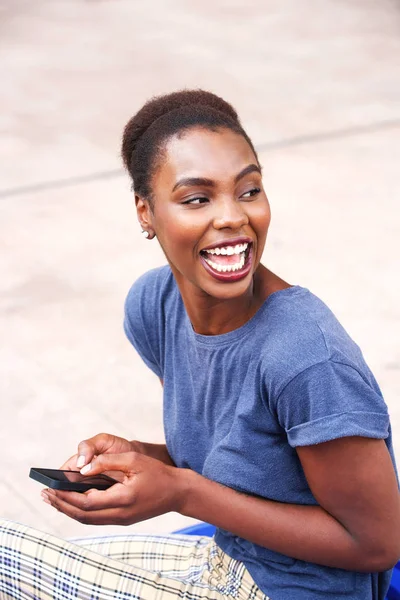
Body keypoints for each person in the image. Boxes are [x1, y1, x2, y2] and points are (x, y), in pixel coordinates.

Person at [1, 90, 399, 600]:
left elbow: (376, 545)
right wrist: (141, 458)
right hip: (226, 559)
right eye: (197, 198)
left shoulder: (307, 357)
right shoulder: (154, 305)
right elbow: (246, 456)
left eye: (249, 190)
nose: (233, 216)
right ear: (145, 213)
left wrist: (180, 491)